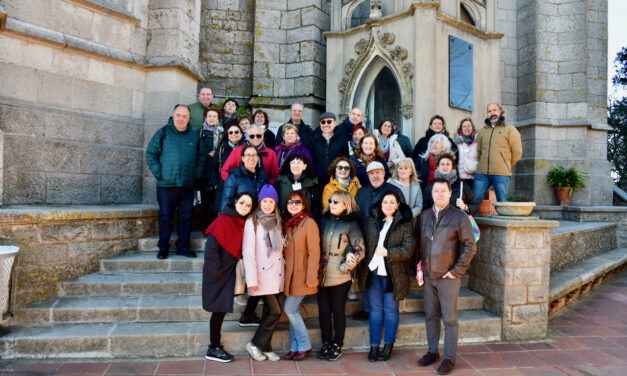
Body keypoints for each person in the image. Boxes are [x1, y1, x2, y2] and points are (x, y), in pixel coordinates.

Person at [416, 178, 476, 375]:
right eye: (436, 191)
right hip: (428, 276)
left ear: (450, 193)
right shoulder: (424, 216)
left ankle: (449, 358)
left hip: (448, 277)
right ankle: (432, 351)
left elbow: (470, 245)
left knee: (449, 319)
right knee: (431, 316)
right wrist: (420, 267)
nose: (439, 194)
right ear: (431, 194)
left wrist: (456, 271)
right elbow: (419, 244)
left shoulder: (459, 217)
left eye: (443, 191)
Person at [359, 191, 415, 362]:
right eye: (385, 202)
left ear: (398, 205)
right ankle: (374, 346)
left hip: (394, 275)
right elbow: (363, 243)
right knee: (375, 311)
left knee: (390, 311)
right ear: (380, 204)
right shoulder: (371, 221)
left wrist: (388, 253)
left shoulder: (405, 224)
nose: (388, 205)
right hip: (373, 273)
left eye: (392, 202)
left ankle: (388, 345)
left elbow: (409, 249)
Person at [146, 104, 205, 259]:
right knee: (165, 216)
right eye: (178, 115)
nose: (181, 119)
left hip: (187, 184)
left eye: (184, 116)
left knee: (186, 216)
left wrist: (196, 174)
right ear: (173, 116)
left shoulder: (193, 135)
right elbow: (150, 154)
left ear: (188, 118)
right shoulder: (163, 132)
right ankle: (163, 247)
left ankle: (183, 247)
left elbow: (201, 157)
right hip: (166, 184)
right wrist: (160, 173)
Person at [202, 192, 255, 362]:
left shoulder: (243, 222)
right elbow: (211, 249)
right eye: (242, 202)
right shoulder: (224, 220)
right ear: (235, 202)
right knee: (218, 311)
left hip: (229, 272)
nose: (244, 207)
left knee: (221, 309)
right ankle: (213, 348)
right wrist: (217, 272)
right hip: (218, 272)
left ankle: (215, 345)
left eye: (248, 205)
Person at [317, 190, 365, 361]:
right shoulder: (323, 220)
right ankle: (326, 342)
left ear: (346, 204)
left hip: (340, 276)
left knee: (337, 311)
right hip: (321, 275)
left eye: (336, 201)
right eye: (330, 200)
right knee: (323, 312)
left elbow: (359, 250)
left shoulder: (351, 224)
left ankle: (337, 343)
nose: (332, 204)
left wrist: (344, 267)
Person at [353, 161, 404, 321]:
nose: (375, 175)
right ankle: (369, 308)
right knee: (367, 277)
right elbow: (357, 215)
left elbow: (402, 216)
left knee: (386, 277)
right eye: (371, 173)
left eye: (378, 172)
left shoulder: (393, 191)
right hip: (366, 241)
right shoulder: (362, 193)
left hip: (387, 243)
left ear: (384, 173)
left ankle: (385, 310)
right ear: (367, 175)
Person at [243, 185, 284, 362]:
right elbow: (248, 253)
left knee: (269, 311)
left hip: (275, 275)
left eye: (271, 201)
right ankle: (254, 344)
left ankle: (266, 348)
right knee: (276, 311)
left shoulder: (275, 221)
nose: (267, 205)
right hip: (261, 275)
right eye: (264, 201)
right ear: (260, 203)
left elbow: (278, 250)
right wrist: (251, 280)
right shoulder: (252, 222)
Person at [282, 191, 320, 361]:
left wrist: (312, 278)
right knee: (293, 311)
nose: (293, 205)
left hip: (302, 275)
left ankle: (303, 344)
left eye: (297, 202)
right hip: (288, 276)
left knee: (289, 309)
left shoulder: (309, 223)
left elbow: (314, 252)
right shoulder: (286, 224)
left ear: (304, 204)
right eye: (290, 202)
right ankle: (294, 346)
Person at [472, 103, 523, 202]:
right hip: (482, 173)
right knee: (475, 200)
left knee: (502, 202)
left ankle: (503, 218)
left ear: (500, 111)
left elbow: (517, 152)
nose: (492, 113)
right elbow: (479, 150)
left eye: (494, 110)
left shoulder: (510, 130)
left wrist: (505, 164)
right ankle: (473, 218)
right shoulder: (483, 131)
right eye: (489, 111)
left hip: (501, 173)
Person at [210, 123, 245, 222]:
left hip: (241, 183)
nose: (233, 134)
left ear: (242, 134)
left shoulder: (246, 148)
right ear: (227, 135)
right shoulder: (222, 147)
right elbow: (215, 165)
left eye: (236, 132)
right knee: (222, 209)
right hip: (223, 182)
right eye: (231, 132)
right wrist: (215, 182)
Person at [220, 145, 269, 212]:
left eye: (254, 155)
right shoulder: (234, 177)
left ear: (258, 158)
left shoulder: (263, 178)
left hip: (256, 218)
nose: (251, 158)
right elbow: (225, 204)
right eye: (248, 155)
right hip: (239, 218)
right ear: (243, 158)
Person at [198, 107, 223, 230]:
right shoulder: (201, 132)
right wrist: (208, 153)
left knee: (216, 200)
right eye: (209, 116)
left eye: (214, 116)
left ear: (218, 118)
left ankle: (214, 228)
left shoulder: (223, 132)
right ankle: (205, 227)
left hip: (217, 169)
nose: (212, 118)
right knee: (205, 201)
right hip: (205, 169)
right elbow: (198, 148)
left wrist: (217, 153)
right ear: (205, 118)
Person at [311, 112, 349, 187]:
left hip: (336, 181)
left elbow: (346, 159)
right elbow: (311, 160)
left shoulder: (342, 139)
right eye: (323, 122)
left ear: (334, 123)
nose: (326, 124)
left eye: (329, 121)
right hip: (317, 182)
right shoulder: (313, 140)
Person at [453, 118, 479, 186]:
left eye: (469, 126)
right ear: (461, 128)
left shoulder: (478, 142)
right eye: (464, 126)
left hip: (475, 179)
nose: (467, 128)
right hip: (460, 179)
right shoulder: (456, 142)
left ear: (472, 127)